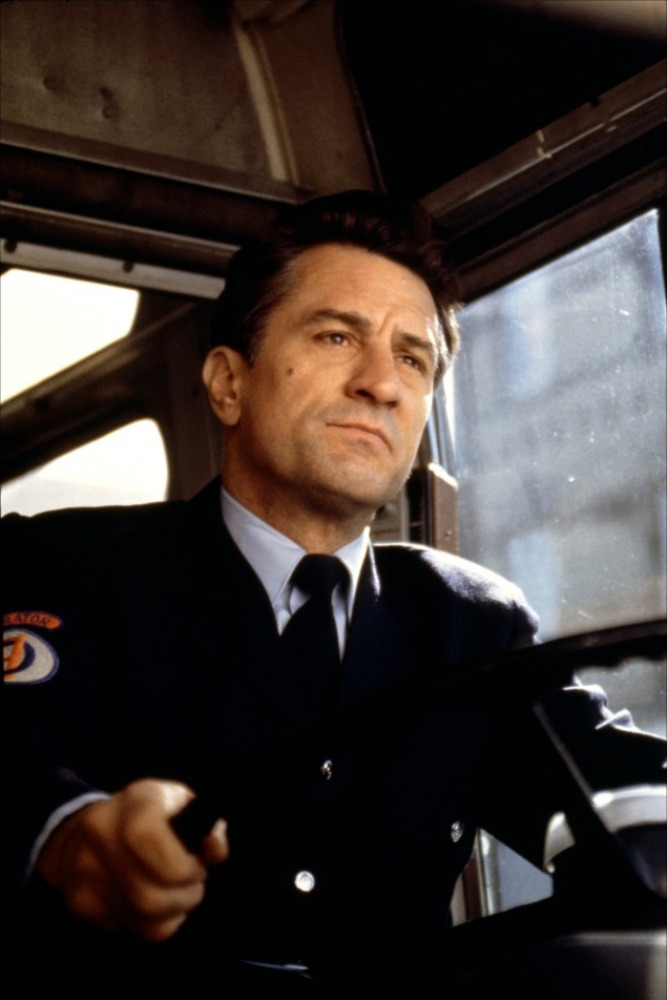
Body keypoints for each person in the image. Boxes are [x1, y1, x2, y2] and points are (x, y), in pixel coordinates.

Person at [3, 191, 665, 998]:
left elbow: (618, 788)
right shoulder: (67, 564)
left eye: (413, 359)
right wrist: (69, 835)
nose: (381, 383)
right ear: (227, 383)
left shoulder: (469, 622)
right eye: (336, 336)